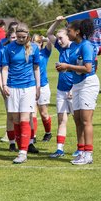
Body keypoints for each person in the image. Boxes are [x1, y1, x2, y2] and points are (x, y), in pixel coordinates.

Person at [55, 18, 99, 165]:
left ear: (78, 32)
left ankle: (88, 154)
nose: (68, 32)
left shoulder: (86, 45)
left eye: (69, 30)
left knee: (86, 120)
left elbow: (87, 68)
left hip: (88, 84)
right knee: (78, 119)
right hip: (77, 84)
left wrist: (67, 66)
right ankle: (81, 151)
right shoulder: (73, 45)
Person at [1, 23, 40, 164]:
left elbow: (36, 68)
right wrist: (4, 85)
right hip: (12, 87)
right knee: (16, 119)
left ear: (28, 35)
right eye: (18, 37)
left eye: (24, 37)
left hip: (28, 87)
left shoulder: (34, 48)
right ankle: (20, 148)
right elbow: (4, 68)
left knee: (24, 118)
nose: (21, 39)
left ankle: (23, 152)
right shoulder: (8, 48)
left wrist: (38, 86)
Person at [47, 16, 74, 158]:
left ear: (68, 37)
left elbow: (82, 71)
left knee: (79, 122)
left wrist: (73, 89)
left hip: (74, 90)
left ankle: (81, 149)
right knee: (61, 120)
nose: (58, 40)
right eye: (58, 38)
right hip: (61, 90)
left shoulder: (76, 48)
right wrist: (57, 21)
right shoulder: (60, 48)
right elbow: (49, 34)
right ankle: (59, 149)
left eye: (61, 38)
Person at [0, 27, 17, 151]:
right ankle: (12, 142)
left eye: (16, 37)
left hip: (21, 86)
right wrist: (2, 85)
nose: (14, 40)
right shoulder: (3, 51)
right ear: (8, 38)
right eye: (12, 37)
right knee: (10, 114)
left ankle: (26, 141)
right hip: (8, 86)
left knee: (21, 115)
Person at [31, 34, 52, 143]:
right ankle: (33, 136)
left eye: (38, 42)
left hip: (43, 86)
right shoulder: (29, 53)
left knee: (43, 114)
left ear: (41, 43)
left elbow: (50, 41)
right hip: (31, 86)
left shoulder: (45, 52)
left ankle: (48, 133)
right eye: (33, 41)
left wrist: (43, 39)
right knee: (32, 113)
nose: (35, 44)